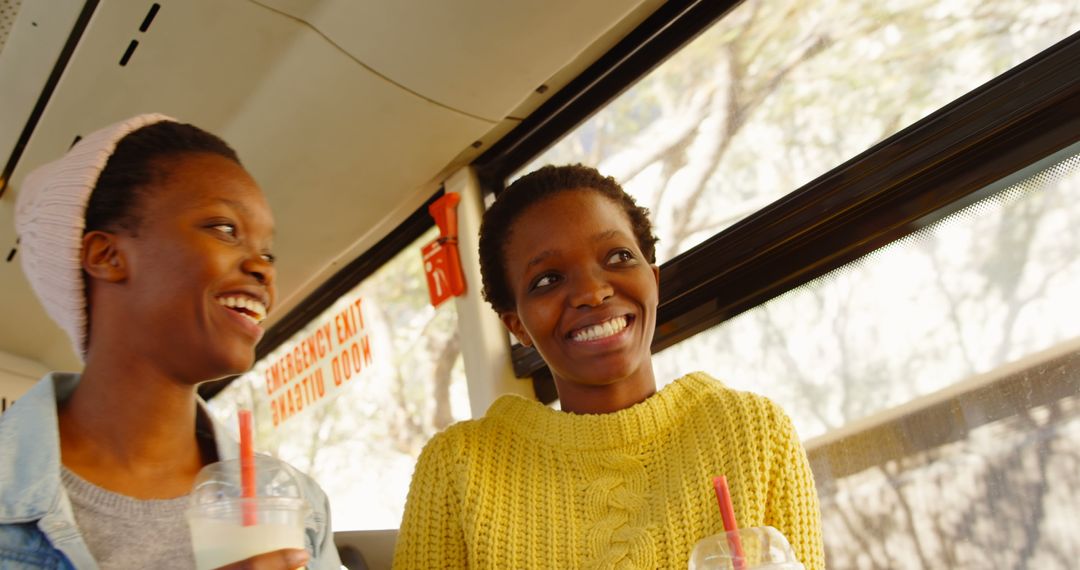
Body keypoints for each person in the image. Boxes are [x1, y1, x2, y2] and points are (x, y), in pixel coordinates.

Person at [393, 164, 824, 569]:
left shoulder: (754, 432)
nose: (592, 292)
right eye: (547, 280)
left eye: (618, 257)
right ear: (516, 325)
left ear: (652, 280)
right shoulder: (458, 469)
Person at [0, 114, 340, 570]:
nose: (263, 267)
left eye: (268, 251)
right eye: (224, 229)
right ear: (107, 255)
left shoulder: (298, 504)